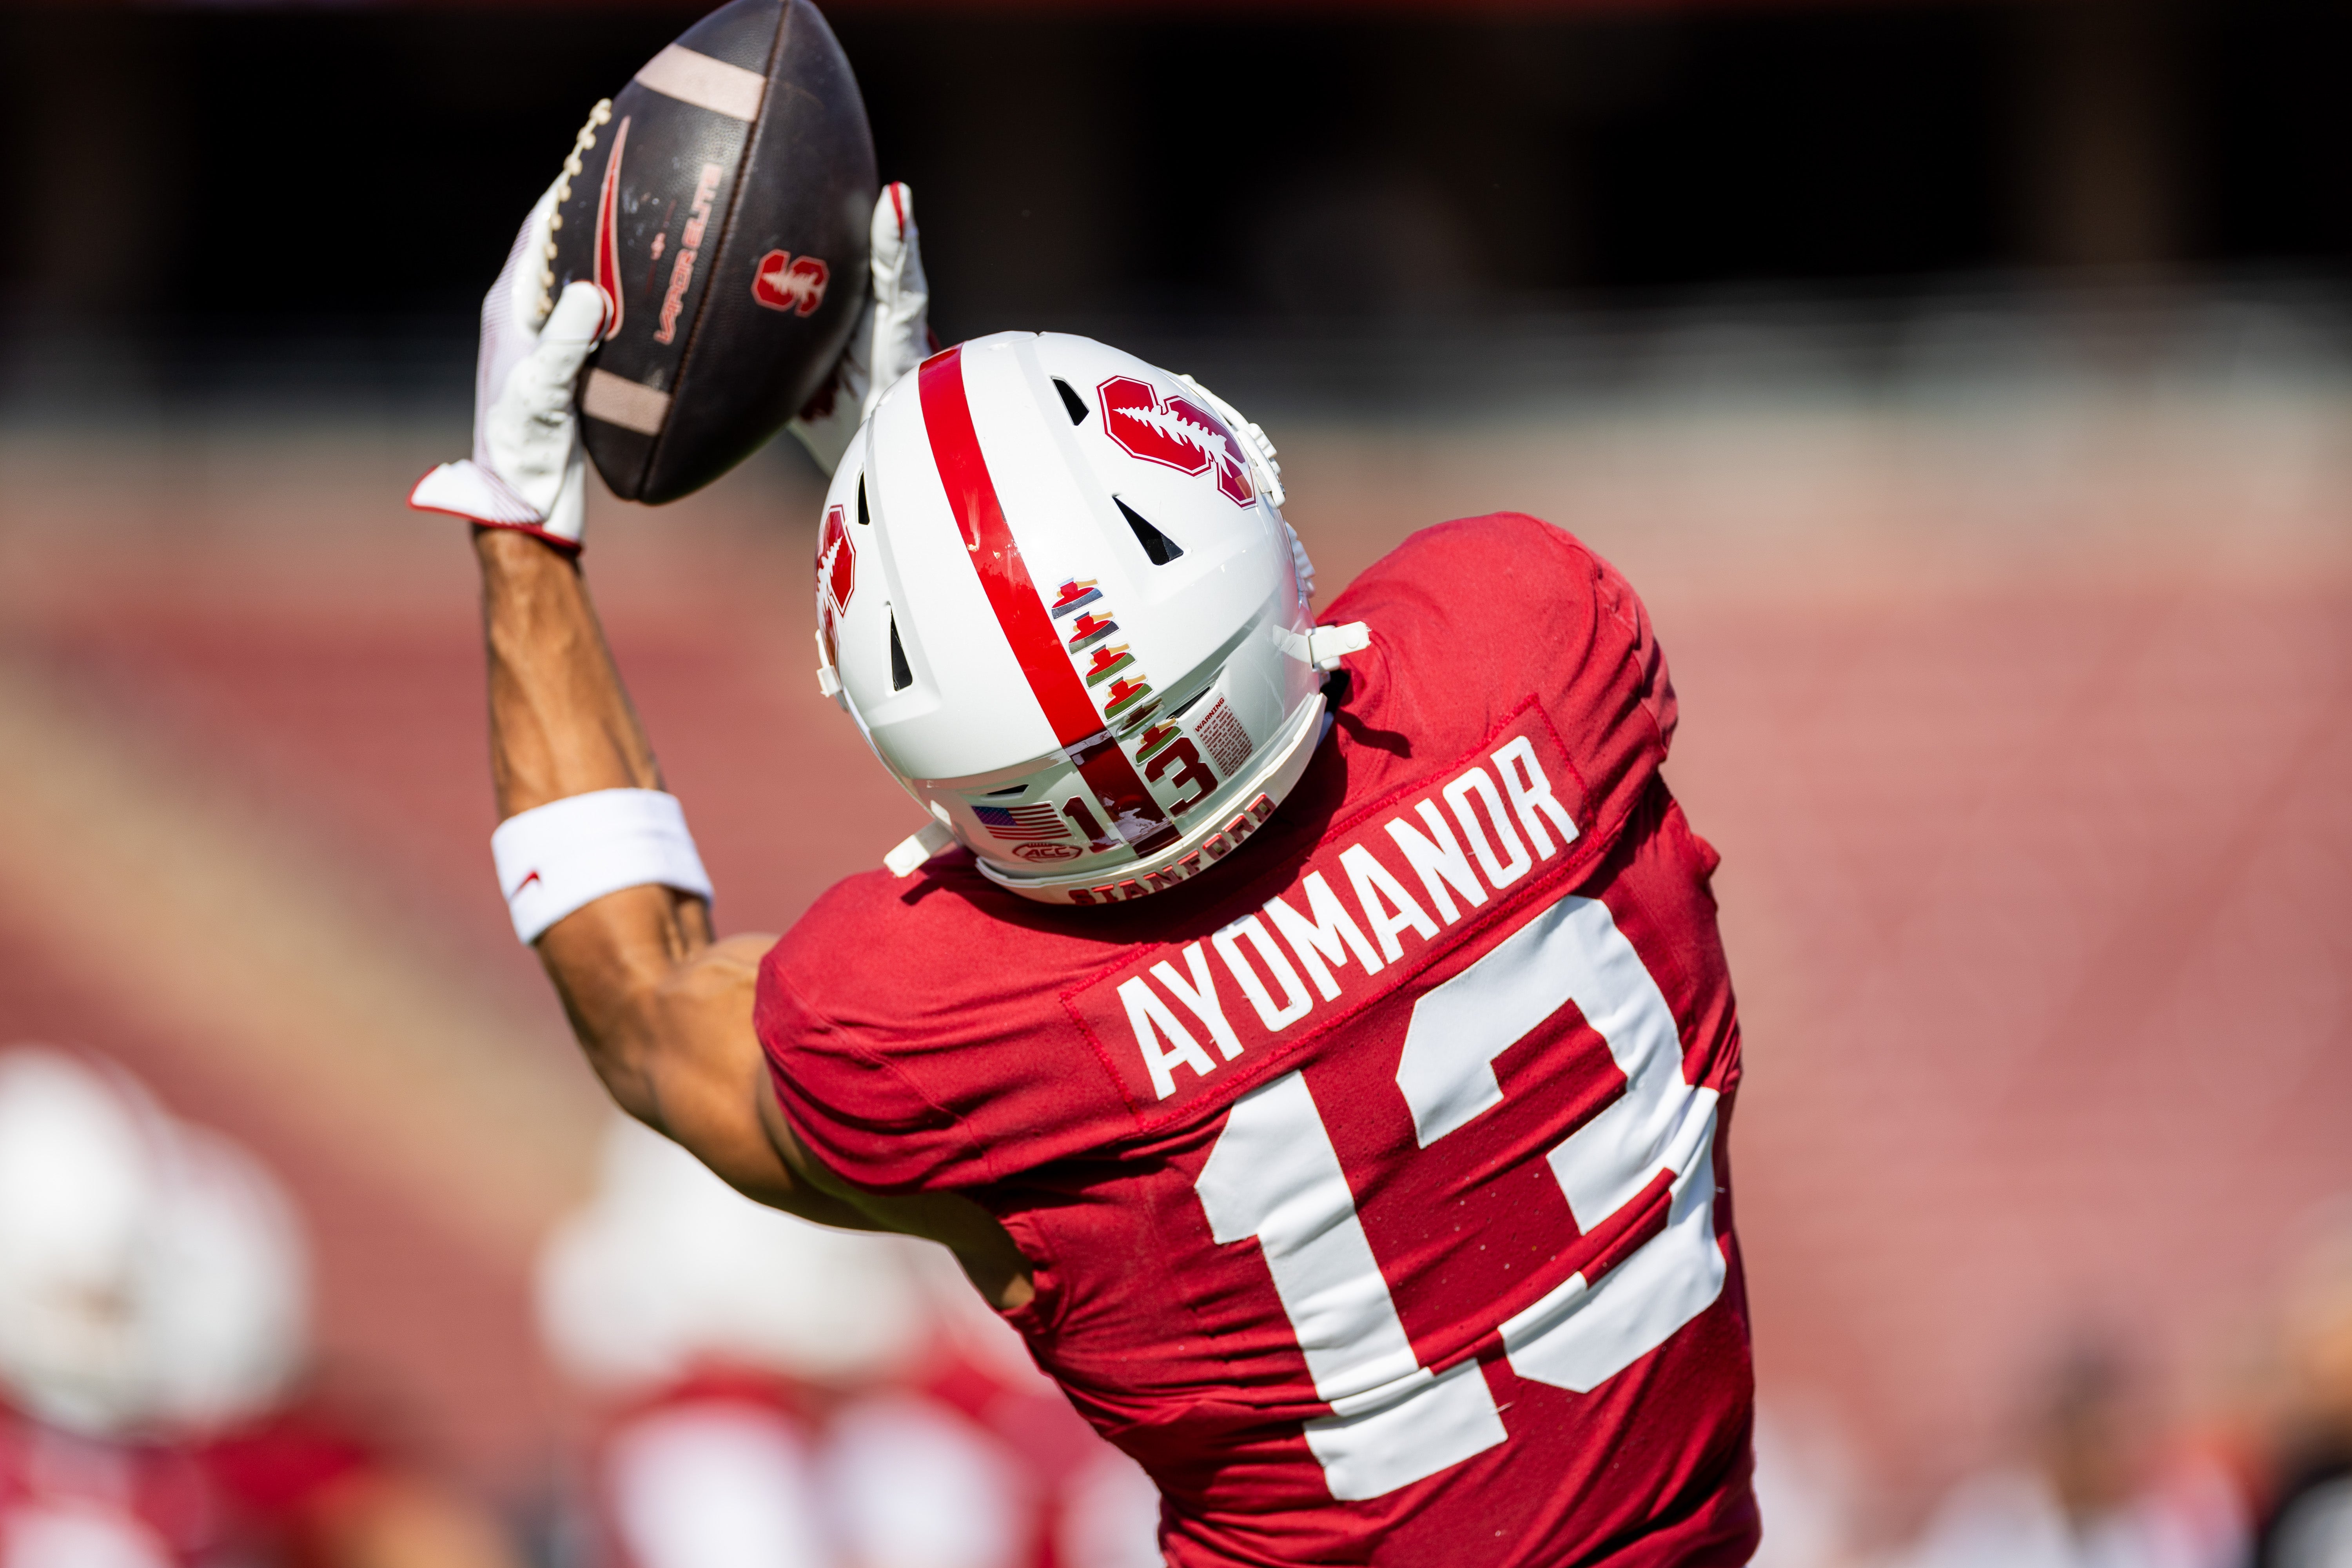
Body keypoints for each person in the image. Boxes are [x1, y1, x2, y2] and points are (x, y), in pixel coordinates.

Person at [409, 178, 1757, 1566]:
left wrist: (520, 523)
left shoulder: (940, 1034)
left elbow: (641, 1005)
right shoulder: (1528, 645)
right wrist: (982, 516)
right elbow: (1265, 718)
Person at [0, 1044, 522, 1568]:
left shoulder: (193, 1448)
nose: (97, 1331)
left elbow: (414, 1532)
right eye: (89, 1297)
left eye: (110, 1299)